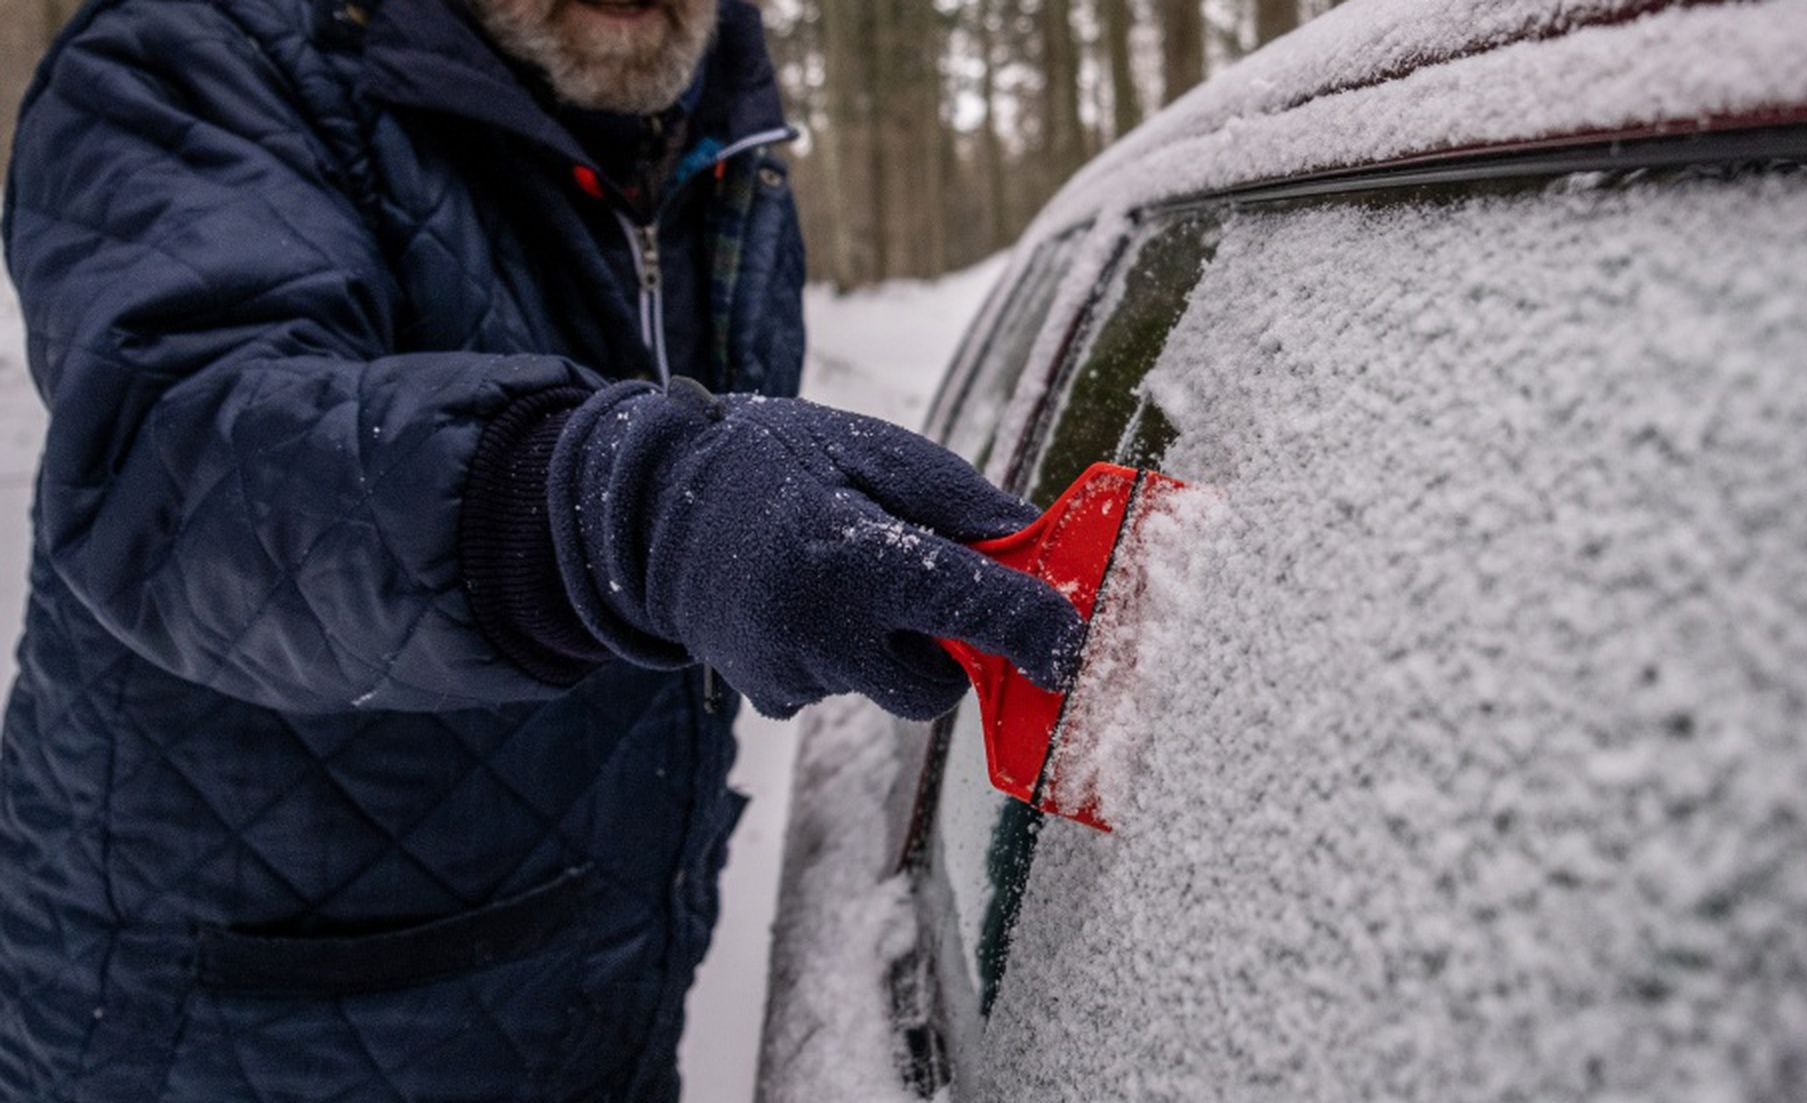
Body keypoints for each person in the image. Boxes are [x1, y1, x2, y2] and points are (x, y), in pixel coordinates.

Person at [0, 0, 1083, 1097]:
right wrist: (625, 502)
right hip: (230, 1037)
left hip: (591, 1004)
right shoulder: (197, 54)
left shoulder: (722, 140)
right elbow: (183, 462)